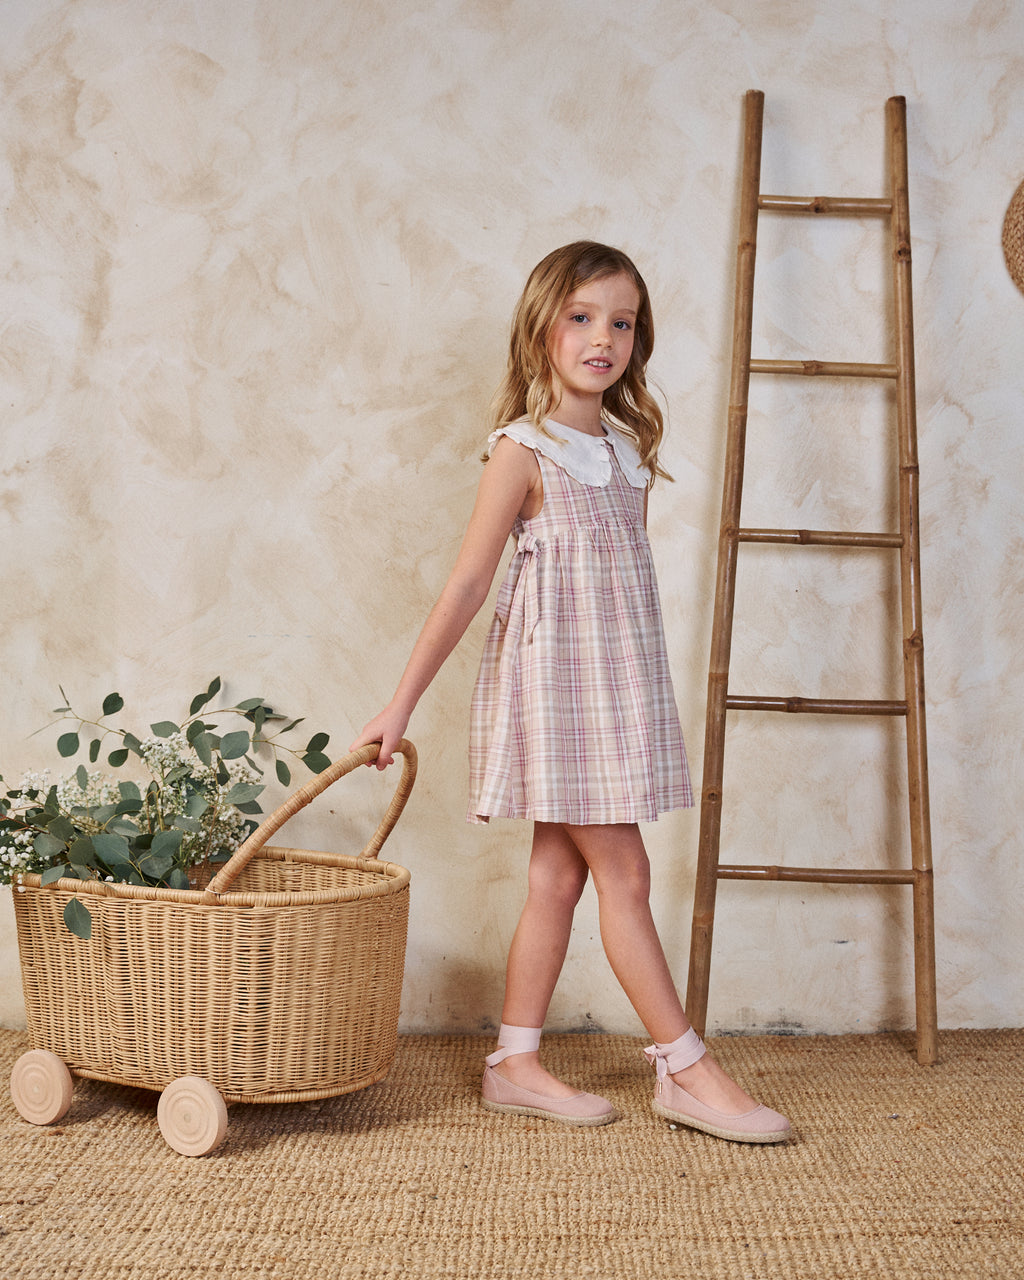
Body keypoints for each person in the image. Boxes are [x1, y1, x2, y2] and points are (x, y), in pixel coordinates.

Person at [351, 241, 791, 1143]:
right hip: (556, 690)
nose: (603, 338)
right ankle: (684, 1066)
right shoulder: (522, 450)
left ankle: (514, 1061)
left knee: (558, 873)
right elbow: (469, 586)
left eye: (621, 322)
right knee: (622, 871)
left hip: (613, 684)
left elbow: (616, 590)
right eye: (583, 318)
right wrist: (398, 704)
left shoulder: (626, 451)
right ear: (543, 327)